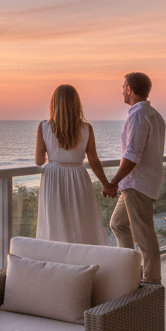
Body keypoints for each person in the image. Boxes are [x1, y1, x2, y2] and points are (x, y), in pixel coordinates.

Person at [102, 72, 166, 284]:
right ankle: (129, 271)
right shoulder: (154, 115)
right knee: (118, 224)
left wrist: (113, 182)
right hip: (138, 183)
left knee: (144, 236)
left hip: (137, 184)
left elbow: (132, 156)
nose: (121, 90)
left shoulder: (138, 116)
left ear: (129, 89)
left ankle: (151, 280)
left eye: (123, 86)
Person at [35, 84, 112, 245]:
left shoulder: (44, 127)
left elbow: (39, 161)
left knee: (55, 222)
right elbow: (93, 159)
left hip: (53, 178)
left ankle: (58, 262)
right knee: (81, 221)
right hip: (78, 176)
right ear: (76, 104)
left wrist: (56, 157)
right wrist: (106, 184)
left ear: (54, 103)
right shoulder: (86, 128)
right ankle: (84, 260)